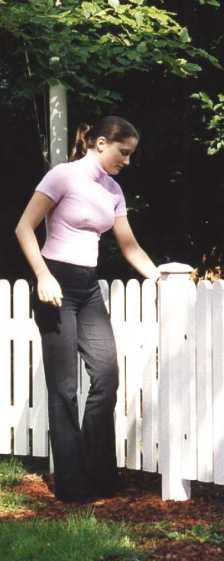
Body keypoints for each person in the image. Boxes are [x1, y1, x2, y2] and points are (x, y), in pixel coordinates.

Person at [14, 116, 161, 502]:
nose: (126, 161)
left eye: (130, 155)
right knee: (64, 389)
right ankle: (73, 485)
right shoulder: (62, 176)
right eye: (122, 152)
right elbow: (24, 227)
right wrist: (43, 276)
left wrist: (160, 277)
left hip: (88, 287)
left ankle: (99, 475)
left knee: (107, 376)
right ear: (100, 143)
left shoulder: (113, 190)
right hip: (54, 282)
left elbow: (129, 246)